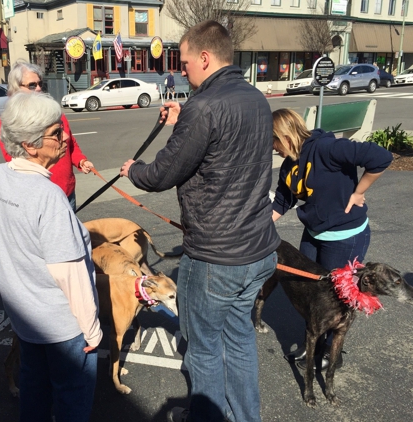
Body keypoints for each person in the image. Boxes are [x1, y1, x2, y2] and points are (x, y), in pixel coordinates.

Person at [119, 21, 280, 422]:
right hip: (258, 250)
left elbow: (161, 174)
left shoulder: (203, 107)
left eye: (186, 62)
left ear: (205, 58)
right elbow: (219, 152)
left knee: (204, 349)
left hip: (215, 256)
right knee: (240, 340)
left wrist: (134, 169)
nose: (184, 70)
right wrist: (183, 120)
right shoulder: (256, 99)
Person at [0, 92, 102, 422]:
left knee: (34, 389)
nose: (65, 137)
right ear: (30, 145)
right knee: (72, 399)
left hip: (25, 318)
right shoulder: (49, 197)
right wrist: (92, 329)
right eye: (56, 133)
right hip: (64, 327)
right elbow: (68, 273)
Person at [271, 108, 393, 369]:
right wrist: (255, 228)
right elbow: (282, 201)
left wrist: (359, 191)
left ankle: (331, 352)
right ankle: (313, 343)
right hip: (315, 233)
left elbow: (381, 157)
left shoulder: (327, 148)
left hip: (345, 235)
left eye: (273, 141)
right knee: (311, 290)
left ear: (285, 136)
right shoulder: (289, 165)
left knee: (338, 296)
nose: (273, 148)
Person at [0, 59, 93, 210]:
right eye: (32, 85)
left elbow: (70, 143)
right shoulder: (12, 120)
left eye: (40, 84)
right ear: (16, 87)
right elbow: (15, 159)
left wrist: (81, 161)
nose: (38, 89)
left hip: (66, 191)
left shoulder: (55, 112)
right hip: (40, 196)